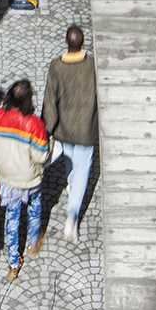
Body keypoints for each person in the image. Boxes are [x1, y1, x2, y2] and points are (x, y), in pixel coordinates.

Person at [0, 79, 50, 280]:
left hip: (7, 178)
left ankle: (13, 264)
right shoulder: (34, 123)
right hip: (30, 179)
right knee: (34, 206)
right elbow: (41, 156)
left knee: (12, 220)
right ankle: (33, 242)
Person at [41, 26, 97, 242]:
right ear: (82, 44)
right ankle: (72, 218)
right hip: (85, 129)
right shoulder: (92, 66)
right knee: (82, 172)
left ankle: (73, 191)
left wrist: (47, 129)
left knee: (70, 165)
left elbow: (49, 101)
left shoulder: (56, 66)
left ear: (67, 42)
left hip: (64, 129)